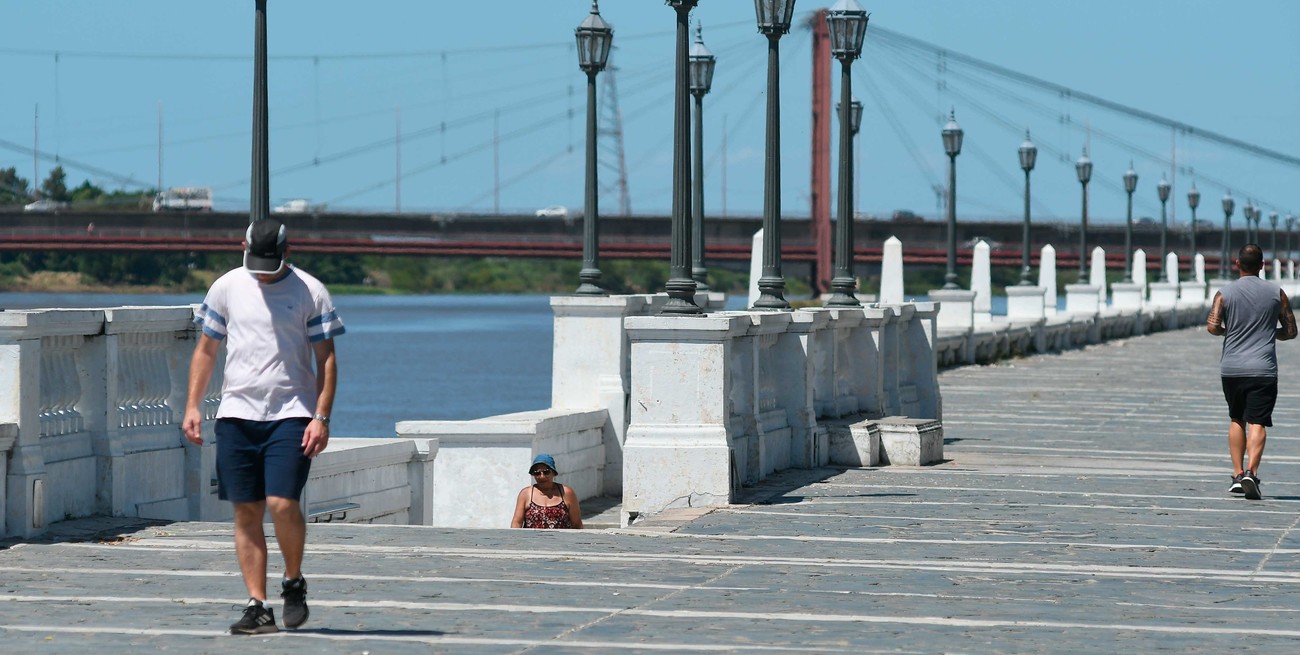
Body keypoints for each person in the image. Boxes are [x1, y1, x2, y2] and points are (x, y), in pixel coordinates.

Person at [182, 218, 345, 635]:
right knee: (246, 510)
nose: (262, 270)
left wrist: (321, 417)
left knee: (282, 503)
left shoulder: (310, 291)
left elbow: (326, 359)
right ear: (243, 247)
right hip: (236, 414)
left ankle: (293, 582)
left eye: (270, 263)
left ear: (288, 252)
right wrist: (193, 406)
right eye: (256, 261)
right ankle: (258, 605)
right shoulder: (226, 287)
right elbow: (206, 350)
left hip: (292, 414)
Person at [1206, 243, 1296, 500]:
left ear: (1237, 264)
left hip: (1232, 368)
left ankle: (1236, 475)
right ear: (1262, 265)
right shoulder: (1276, 293)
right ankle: (1251, 473)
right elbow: (1291, 331)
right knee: (1258, 421)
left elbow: (1212, 326)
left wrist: (1229, 332)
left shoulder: (1224, 293)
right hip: (1263, 369)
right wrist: (1269, 334)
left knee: (1237, 418)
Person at [510, 454, 583, 529]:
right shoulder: (526, 494)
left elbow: (577, 524)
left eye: (546, 472)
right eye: (537, 473)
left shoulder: (566, 493)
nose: (542, 477)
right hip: (532, 540)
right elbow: (517, 523)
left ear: (553, 473)